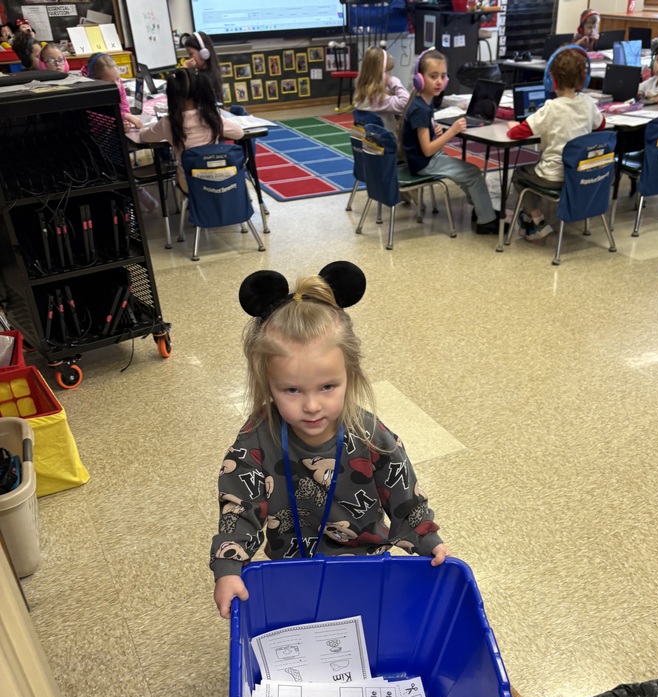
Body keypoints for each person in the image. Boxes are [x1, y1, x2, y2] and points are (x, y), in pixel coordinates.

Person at [211, 261, 450, 618]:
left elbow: (404, 497)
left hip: (365, 569)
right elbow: (238, 508)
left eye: (327, 387)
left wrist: (427, 540)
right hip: (291, 572)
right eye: (291, 389)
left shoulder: (371, 435)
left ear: (349, 375)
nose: (311, 405)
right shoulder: (256, 438)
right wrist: (228, 568)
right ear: (267, 383)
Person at [505, 46, 605, 241]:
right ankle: (528, 221)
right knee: (535, 171)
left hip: (554, 176)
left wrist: (512, 125)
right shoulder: (587, 102)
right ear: (583, 79)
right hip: (581, 173)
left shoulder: (551, 107)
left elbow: (517, 133)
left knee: (519, 175)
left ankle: (538, 220)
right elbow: (600, 125)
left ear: (551, 80)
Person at [400, 49, 499, 234]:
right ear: (420, 79)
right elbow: (428, 150)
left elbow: (422, 135)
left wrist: (433, 129)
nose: (439, 81)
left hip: (424, 160)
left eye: (443, 76)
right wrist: (451, 131)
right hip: (424, 163)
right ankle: (486, 221)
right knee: (473, 173)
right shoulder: (420, 108)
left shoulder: (424, 102)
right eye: (433, 76)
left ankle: (481, 210)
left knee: (467, 174)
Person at [139, 67, 243, 192]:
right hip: (220, 180)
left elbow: (144, 137)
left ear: (171, 96)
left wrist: (139, 126)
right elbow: (239, 133)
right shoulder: (211, 117)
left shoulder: (168, 122)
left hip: (190, 183)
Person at [354, 46, 409, 134]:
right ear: (380, 75)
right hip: (386, 146)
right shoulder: (378, 99)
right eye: (387, 73)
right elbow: (406, 102)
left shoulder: (363, 95)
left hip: (367, 146)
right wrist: (394, 82)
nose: (389, 76)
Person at [86, 53, 142, 129]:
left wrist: (125, 121)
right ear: (96, 81)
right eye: (111, 82)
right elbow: (94, 117)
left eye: (117, 78)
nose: (117, 84)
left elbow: (124, 106)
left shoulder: (118, 83)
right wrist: (120, 120)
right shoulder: (89, 91)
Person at [181, 30, 223, 102]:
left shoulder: (203, 78)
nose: (189, 58)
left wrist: (184, 70)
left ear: (204, 53)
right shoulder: (211, 72)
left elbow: (179, 91)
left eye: (191, 54)